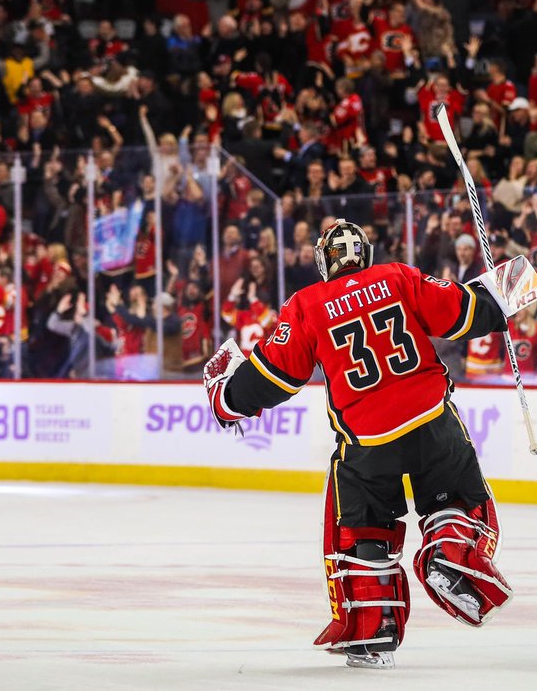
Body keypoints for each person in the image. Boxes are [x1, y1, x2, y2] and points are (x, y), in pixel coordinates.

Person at [203, 219, 517, 669]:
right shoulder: (398, 277)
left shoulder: (307, 304)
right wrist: (506, 291)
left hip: (367, 440)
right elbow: (460, 312)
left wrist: (227, 398)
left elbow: (275, 375)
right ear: (365, 254)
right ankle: (451, 555)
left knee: (362, 531)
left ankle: (373, 630)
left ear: (324, 260)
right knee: (458, 502)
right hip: (432, 420)